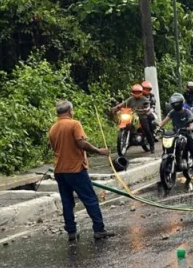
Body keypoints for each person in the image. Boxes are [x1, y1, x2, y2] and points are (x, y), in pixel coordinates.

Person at [48, 100, 115, 242]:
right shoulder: (74, 124)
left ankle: (71, 231)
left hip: (59, 170)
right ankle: (99, 229)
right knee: (90, 199)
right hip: (75, 169)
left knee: (67, 201)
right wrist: (99, 151)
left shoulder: (53, 128)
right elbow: (82, 143)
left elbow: (53, 147)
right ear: (70, 111)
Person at [159, 93, 193, 185]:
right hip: (175, 134)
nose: (175, 105)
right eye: (173, 103)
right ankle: (164, 173)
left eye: (177, 103)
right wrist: (158, 128)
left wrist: (189, 127)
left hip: (186, 134)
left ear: (181, 102)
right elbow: (164, 121)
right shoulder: (172, 113)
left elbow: (191, 122)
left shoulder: (187, 112)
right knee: (166, 147)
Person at [114, 84, 155, 152]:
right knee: (126, 124)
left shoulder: (144, 99)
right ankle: (127, 140)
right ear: (132, 92)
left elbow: (147, 106)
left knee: (146, 129)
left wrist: (146, 109)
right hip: (132, 116)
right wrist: (116, 107)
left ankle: (152, 145)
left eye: (138, 92)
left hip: (142, 115)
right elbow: (123, 104)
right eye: (135, 92)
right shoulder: (130, 99)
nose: (136, 93)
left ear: (141, 92)